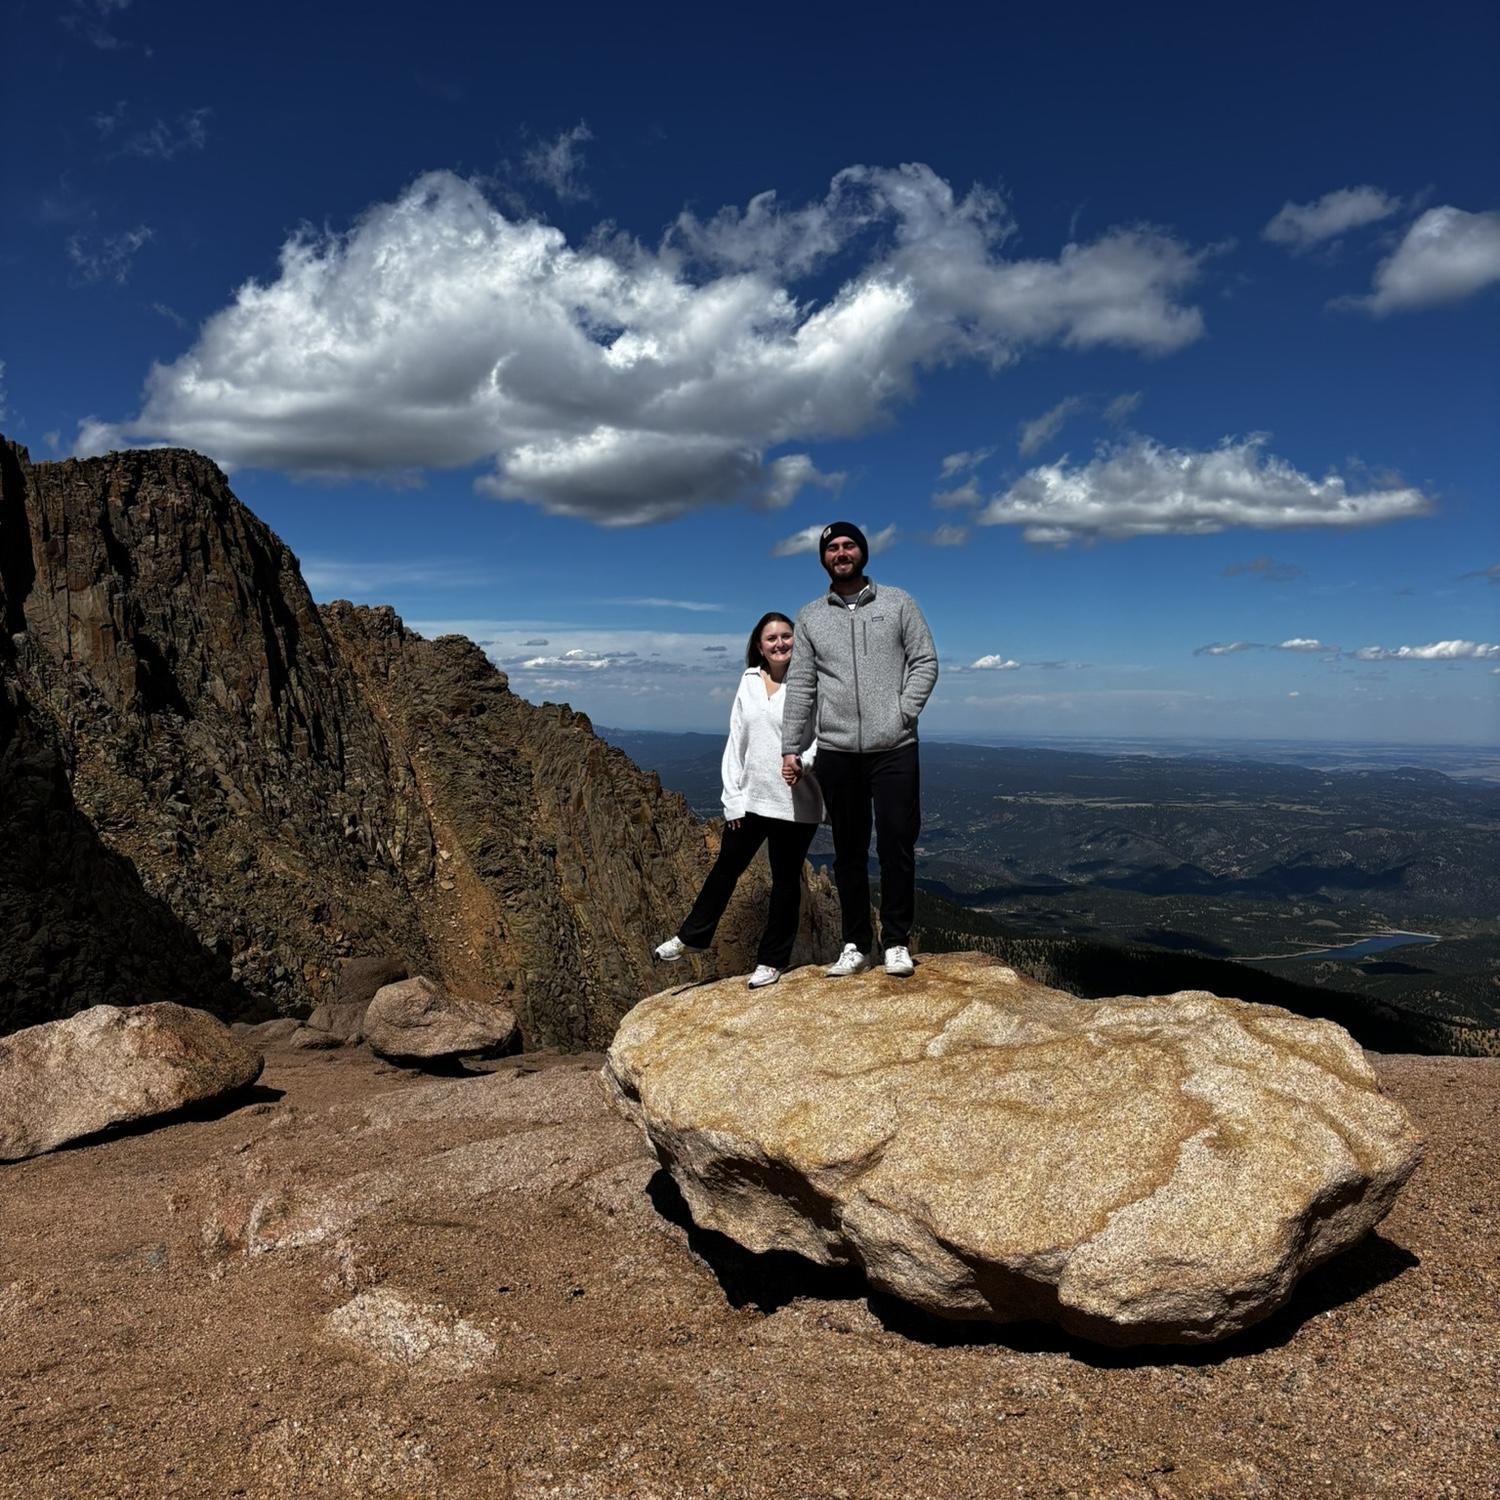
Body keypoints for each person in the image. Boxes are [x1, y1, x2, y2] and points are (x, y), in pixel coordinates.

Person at [780, 521, 938, 978]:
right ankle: (855, 943)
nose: (841, 553)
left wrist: (903, 712)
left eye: (849, 545)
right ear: (824, 559)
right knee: (848, 851)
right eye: (832, 548)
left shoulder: (898, 602)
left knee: (897, 844)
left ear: (863, 553)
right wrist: (792, 746)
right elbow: (803, 684)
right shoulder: (810, 616)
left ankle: (895, 942)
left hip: (895, 747)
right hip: (837, 750)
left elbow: (925, 660)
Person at [654, 612, 824, 988]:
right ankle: (691, 936)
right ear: (759, 646)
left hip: (797, 802)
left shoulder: (810, 683)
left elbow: (823, 736)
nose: (780, 644)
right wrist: (731, 798)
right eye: (771, 638)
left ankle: (772, 961)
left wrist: (804, 763)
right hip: (751, 799)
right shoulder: (748, 681)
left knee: (785, 882)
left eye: (786, 637)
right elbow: (736, 743)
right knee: (726, 869)